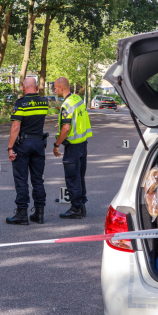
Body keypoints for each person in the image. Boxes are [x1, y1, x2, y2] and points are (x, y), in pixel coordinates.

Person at [6, 77, 49, 225]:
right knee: (38, 180)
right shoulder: (44, 102)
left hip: (23, 144)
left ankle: (22, 214)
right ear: (36, 88)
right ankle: (39, 213)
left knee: (21, 179)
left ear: (23, 88)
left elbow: (16, 127)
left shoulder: (21, 103)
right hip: (39, 143)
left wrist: (10, 147)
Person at [53, 76, 92, 219]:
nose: (54, 90)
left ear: (61, 87)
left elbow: (66, 128)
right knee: (80, 177)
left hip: (73, 148)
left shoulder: (66, 104)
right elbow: (77, 119)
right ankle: (82, 205)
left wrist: (57, 144)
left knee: (72, 178)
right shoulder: (77, 99)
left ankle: (75, 209)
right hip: (82, 144)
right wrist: (61, 123)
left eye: (55, 88)